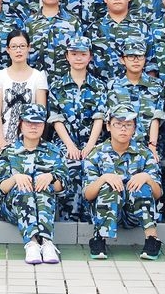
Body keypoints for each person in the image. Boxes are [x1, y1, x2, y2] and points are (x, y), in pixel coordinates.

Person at [83, 104, 162, 261]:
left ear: (134, 128)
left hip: (135, 215)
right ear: (108, 126)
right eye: (118, 124)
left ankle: (152, 238)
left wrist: (146, 177)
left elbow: (158, 193)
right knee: (109, 186)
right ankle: (100, 238)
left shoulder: (144, 154)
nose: (123, 129)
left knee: (142, 185)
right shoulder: (96, 153)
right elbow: (87, 195)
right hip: (110, 213)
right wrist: (103, 178)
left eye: (128, 125)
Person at [0, 104, 68, 265]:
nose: (33, 127)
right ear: (20, 124)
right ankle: (32, 243)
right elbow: (0, 188)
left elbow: (63, 188)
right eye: (29, 123)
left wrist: (51, 177)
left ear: (44, 125)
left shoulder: (54, 151)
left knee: (43, 186)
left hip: (45, 206)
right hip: (13, 208)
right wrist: (15, 178)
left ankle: (47, 243)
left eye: (38, 123)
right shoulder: (9, 151)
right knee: (24, 188)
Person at [47, 36, 107, 222]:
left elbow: (99, 118)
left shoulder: (99, 86)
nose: (78, 58)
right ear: (67, 56)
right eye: (74, 54)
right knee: (70, 166)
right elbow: (56, 120)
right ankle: (69, 220)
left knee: (92, 167)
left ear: (90, 57)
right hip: (65, 142)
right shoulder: (57, 86)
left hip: (93, 143)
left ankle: (92, 221)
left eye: (83, 54)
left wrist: (90, 146)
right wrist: (70, 146)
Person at [0, 30, 48, 161]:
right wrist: (1, 141)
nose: (18, 50)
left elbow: (41, 112)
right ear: (8, 50)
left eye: (22, 46)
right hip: (2, 137)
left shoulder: (38, 76)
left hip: (31, 139)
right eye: (14, 47)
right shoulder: (0, 75)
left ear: (29, 48)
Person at [24, 0, 82, 84]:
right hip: (37, 84)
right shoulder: (29, 24)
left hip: (65, 84)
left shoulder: (73, 22)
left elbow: (79, 54)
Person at [91, 0, 149, 85]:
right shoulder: (94, 28)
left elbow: (151, 62)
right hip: (102, 88)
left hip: (134, 89)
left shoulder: (142, 27)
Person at [110, 37, 165, 153]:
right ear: (122, 60)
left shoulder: (157, 85)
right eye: (131, 56)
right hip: (120, 146)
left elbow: (157, 116)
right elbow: (112, 120)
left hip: (149, 146)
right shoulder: (113, 86)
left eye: (139, 56)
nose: (136, 60)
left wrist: (152, 145)